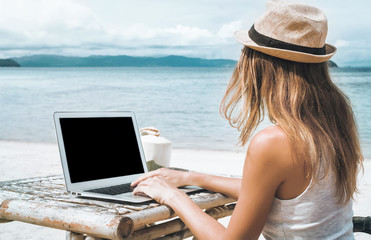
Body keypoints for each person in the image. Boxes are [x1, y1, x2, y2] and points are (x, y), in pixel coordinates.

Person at [131, 1, 364, 239]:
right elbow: (270, 192)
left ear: (258, 66)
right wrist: (191, 177)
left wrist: (171, 196)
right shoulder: (334, 121)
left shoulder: (274, 142)